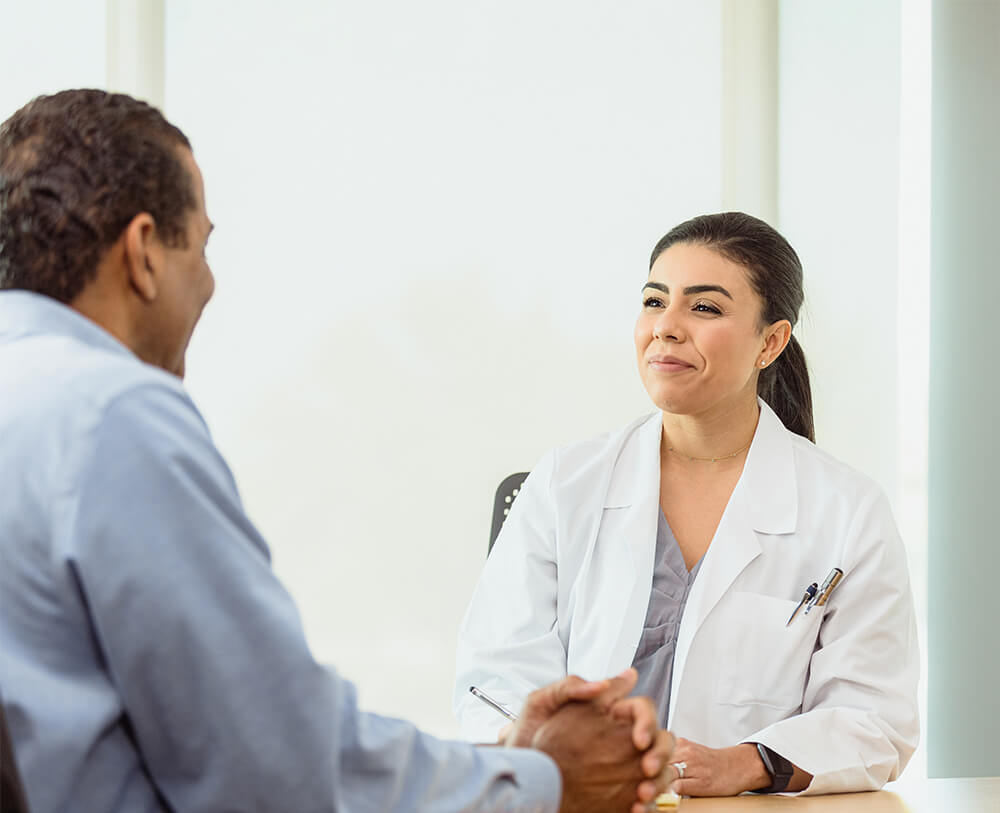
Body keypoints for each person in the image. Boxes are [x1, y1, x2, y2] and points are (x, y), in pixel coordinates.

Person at [0, 89, 677, 813]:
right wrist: (544, 780)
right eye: (200, 246)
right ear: (141, 254)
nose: (210, 282)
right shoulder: (111, 414)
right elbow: (273, 763)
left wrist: (498, 761)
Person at [454, 212, 920, 796]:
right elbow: (493, 677)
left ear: (770, 342)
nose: (666, 327)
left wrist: (746, 763)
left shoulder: (847, 510)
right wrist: (550, 756)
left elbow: (876, 717)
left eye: (704, 308)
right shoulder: (563, 484)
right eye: (654, 301)